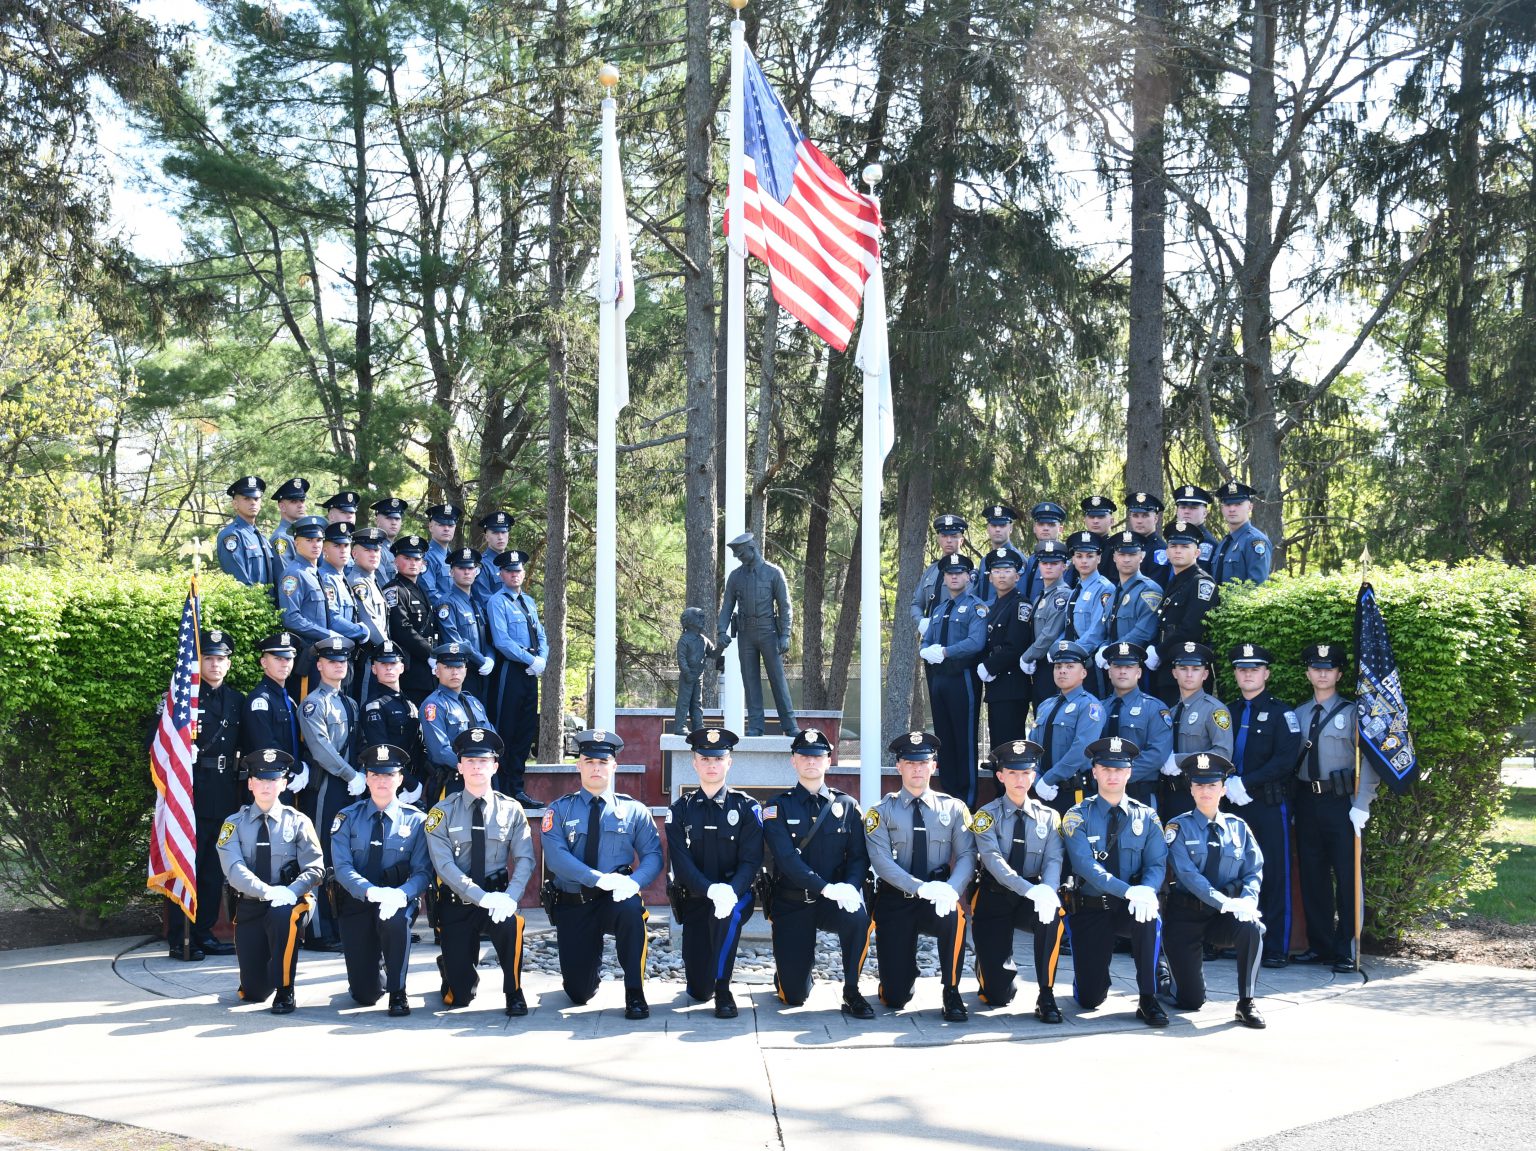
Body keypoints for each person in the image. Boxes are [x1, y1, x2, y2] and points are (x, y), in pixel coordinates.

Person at [540, 730, 663, 1020]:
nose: (596, 768)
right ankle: (586, 978)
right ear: (578, 766)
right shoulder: (559, 810)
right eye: (589, 761)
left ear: (614, 766)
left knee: (633, 911)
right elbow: (556, 858)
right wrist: (597, 878)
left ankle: (635, 991)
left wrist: (634, 882)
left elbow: (653, 856)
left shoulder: (633, 810)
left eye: (603, 762)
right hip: (574, 901)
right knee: (578, 993)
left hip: (615, 899)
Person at [760, 728, 874, 1019]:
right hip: (792, 902)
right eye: (804, 756)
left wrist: (849, 887)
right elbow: (786, 860)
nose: (811, 762)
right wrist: (826, 887)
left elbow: (859, 857)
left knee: (858, 917)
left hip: (832, 901)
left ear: (828, 760)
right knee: (793, 997)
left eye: (818, 756)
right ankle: (794, 973)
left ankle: (851, 990)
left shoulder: (847, 805)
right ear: (793, 761)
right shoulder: (776, 807)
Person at [864, 731, 976, 1022]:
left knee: (955, 915)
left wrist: (952, 889)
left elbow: (967, 855)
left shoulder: (953, 808)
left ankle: (951, 990)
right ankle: (899, 975)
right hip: (896, 900)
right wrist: (919, 888)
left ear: (933, 767)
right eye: (909, 762)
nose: (917, 769)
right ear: (899, 766)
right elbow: (882, 862)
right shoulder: (880, 811)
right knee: (895, 998)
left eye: (923, 762)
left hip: (938, 896)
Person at [425, 728, 536, 1015]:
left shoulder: (511, 809)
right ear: (459, 766)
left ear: (495, 766)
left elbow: (525, 859)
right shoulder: (441, 812)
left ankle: (514, 990)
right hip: (456, 904)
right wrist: (478, 896)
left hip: (498, 900)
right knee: (457, 998)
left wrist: (511, 897)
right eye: (470, 761)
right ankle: (450, 968)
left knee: (512, 924)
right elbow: (444, 866)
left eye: (483, 761)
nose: (477, 767)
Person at [1061, 736, 1169, 1027]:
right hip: (1092, 907)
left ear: (1129, 772)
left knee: (1149, 916)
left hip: (1130, 907)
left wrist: (1146, 891)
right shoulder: (1075, 816)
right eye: (1105, 768)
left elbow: (1157, 863)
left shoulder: (1146, 816)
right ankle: (1091, 974)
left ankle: (1148, 997)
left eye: (1119, 769)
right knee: (1089, 999)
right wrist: (1130, 890)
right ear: (1094, 771)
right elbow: (1086, 866)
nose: (1112, 775)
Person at [1161, 752, 1267, 1027]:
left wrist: (1247, 901)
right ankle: (1161, 973)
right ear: (1191, 788)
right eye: (1199, 785)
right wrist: (1222, 901)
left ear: (1222, 789)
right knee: (1190, 1001)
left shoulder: (1238, 827)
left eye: (1212, 785)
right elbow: (1187, 874)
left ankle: (1247, 1002)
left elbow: (1254, 871)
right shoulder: (1178, 827)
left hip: (1223, 918)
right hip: (1186, 916)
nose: (1205, 791)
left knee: (1252, 927)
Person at [1292, 643, 1379, 973]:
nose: (1323, 673)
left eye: (1330, 668)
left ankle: (1347, 947)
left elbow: (1370, 761)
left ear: (1340, 674)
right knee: (1313, 877)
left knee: (1347, 877)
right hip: (1306, 800)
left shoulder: (1354, 712)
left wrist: (1362, 802)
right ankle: (1321, 945)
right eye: (1317, 668)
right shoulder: (1298, 714)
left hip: (1341, 803)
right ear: (1308, 673)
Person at [216, 749, 324, 1014]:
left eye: (273, 780)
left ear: (284, 784)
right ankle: (266, 977)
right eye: (260, 780)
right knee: (252, 992)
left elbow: (316, 868)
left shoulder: (299, 822)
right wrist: (267, 892)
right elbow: (233, 869)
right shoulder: (233, 824)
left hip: (291, 902)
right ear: (250, 783)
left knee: (281, 916)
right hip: (251, 903)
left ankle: (286, 989)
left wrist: (290, 891)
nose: (266, 785)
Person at [665, 728, 763, 1018]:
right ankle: (709, 985)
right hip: (696, 899)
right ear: (694, 763)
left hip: (736, 896)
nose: (711, 765)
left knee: (726, 916)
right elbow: (681, 864)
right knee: (697, 990)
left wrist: (729, 892)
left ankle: (724, 990)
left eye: (718, 759)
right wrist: (710, 890)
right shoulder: (680, 810)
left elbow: (751, 860)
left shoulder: (747, 807)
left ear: (729, 762)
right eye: (704, 759)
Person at [330, 743, 432, 1017]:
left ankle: (398, 991)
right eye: (375, 775)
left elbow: (423, 872)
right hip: (357, 903)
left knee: (395, 920)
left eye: (389, 775)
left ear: (400, 779)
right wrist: (370, 891)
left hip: (398, 900)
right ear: (366, 778)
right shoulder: (347, 818)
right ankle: (376, 971)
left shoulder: (417, 821)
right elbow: (341, 867)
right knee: (364, 995)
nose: (382, 781)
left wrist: (401, 895)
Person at [968, 739, 1066, 1023]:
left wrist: (1047, 891)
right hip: (994, 897)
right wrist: (1032, 891)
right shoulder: (986, 816)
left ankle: (1046, 994)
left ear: (1034, 775)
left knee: (1051, 919)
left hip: (1033, 894)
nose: (1020, 779)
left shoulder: (1049, 817)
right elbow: (994, 862)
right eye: (1012, 772)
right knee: (996, 997)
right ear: (1000, 776)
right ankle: (989, 962)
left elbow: (1053, 859)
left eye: (1025, 773)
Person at [1223, 643, 1302, 968]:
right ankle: (1232, 938)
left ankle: (1275, 947)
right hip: (1230, 802)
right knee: (1232, 871)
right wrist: (1227, 781)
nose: (1248, 674)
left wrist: (1247, 782)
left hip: (1267, 804)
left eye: (1254, 669)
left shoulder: (1283, 714)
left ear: (1266, 673)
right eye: (1242, 669)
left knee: (1273, 873)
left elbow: (1286, 759)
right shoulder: (1227, 711)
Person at [168, 629, 243, 959]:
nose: (215, 664)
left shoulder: (237, 700)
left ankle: (204, 931)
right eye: (209, 658)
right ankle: (179, 936)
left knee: (214, 870)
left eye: (221, 659)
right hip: (191, 794)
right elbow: (155, 744)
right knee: (187, 866)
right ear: (199, 662)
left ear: (228, 664)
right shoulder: (183, 699)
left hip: (224, 794)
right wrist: (183, 752)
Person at [297, 636, 362, 950]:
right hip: (327, 785)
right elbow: (320, 748)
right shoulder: (314, 703)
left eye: (343, 660)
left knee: (344, 855)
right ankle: (319, 931)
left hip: (352, 787)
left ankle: (342, 924)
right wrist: (351, 774)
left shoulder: (348, 703)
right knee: (321, 853)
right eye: (332, 660)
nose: (339, 665)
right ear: (319, 665)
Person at [918, 552, 987, 807]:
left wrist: (945, 652)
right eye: (949, 573)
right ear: (944, 577)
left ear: (968, 577)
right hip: (939, 680)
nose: (954, 577)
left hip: (963, 678)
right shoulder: (939, 609)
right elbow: (927, 639)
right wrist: (924, 649)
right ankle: (948, 797)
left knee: (964, 739)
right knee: (943, 738)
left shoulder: (976, 607)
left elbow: (976, 642)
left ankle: (967, 802)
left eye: (959, 573)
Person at [717, 531, 799, 737]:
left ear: (752, 550)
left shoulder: (773, 573)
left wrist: (785, 634)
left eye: (742, 554)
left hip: (768, 631)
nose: (740, 559)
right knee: (750, 680)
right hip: (745, 634)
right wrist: (721, 630)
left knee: (777, 679)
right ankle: (755, 726)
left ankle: (789, 725)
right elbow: (727, 605)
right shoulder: (736, 577)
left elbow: (785, 606)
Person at [487, 548, 547, 805]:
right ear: (501, 574)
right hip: (510, 671)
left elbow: (541, 635)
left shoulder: (529, 602)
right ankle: (501, 788)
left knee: (525, 730)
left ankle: (518, 789)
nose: (515, 575)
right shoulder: (497, 602)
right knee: (506, 730)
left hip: (531, 672)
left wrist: (542, 659)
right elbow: (502, 641)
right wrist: (530, 659)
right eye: (510, 571)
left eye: (519, 570)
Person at [1029, 640, 1107, 816]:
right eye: (1058, 666)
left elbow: (1081, 749)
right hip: (1043, 791)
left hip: (1074, 792)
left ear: (1084, 673)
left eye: (1070, 666)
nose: (1062, 670)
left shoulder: (1089, 706)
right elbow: (1032, 746)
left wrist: (1049, 779)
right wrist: (1037, 780)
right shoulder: (1045, 706)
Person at [1160, 642, 1233, 821]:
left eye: (1196, 669)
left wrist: (1178, 761)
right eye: (1183, 668)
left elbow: (1223, 754)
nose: (1189, 674)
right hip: (1170, 794)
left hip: (1201, 796)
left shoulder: (1215, 710)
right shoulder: (1171, 711)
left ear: (1205, 674)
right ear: (1174, 673)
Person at [1151, 521, 1220, 704]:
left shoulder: (1202, 583)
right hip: (1169, 668)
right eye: (1173, 546)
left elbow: (1191, 629)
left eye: (1185, 546)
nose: (1178, 551)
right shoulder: (1176, 582)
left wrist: (1158, 652)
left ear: (1197, 552)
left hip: (1189, 669)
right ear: (1167, 552)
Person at [1099, 642, 1174, 807]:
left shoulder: (1154, 708)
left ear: (1139, 672)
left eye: (1130, 666)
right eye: (1117, 666)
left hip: (1140, 794)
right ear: (1109, 672)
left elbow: (1157, 753)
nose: (1123, 671)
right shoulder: (1099, 708)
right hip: (1101, 794)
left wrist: (1118, 775)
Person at [419, 642, 493, 804]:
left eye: (459, 667)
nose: (454, 672)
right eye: (448, 667)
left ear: (466, 670)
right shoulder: (433, 705)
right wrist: (472, 768)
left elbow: (491, 739)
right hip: (451, 783)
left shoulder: (474, 703)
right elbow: (440, 751)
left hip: (481, 781)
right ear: (437, 671)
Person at [976, 547, 1032, 750]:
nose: (1001, 575)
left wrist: (989, 666)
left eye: (1007, 570)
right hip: (997, 687)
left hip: (1012, 686)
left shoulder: (1020, 605)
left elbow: (1015, 646)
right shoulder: (994, 606)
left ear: (1017, 576)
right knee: (998, 750)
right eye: (997, 571)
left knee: (1010, 750)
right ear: (990, 577)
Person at [359, 641, 425, 810]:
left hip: (415, 780)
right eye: (383, 664)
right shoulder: (374, 706)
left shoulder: (408, 703)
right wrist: (409, 783)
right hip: (390, 783)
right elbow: (381, 750)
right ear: (374, 669)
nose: (389, 668)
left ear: (402, 668)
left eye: (393, 663)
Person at [277, 515, 338, 699]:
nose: (316, 545)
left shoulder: (314, 573)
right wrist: (326, 634)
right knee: (307, 707)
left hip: (321, 654)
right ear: (296, 543)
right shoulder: (294, 575)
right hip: (307, 655)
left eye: (319, 540)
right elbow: (291, 618)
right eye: (309, 540)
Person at [436, 546, 496, 704]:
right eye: (461, 568)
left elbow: (486, 637)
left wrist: (490, 658)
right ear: (451, 572)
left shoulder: (475, 603)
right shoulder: (446, 603)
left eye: (471, 568)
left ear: (476, 572)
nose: (467, 572)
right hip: (461, 672)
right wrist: (481, 660)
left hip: (482, 673)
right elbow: (453, 639)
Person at [383, 534, 437, 707]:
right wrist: (431, 653)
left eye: (417, 559)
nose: (413, 563)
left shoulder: (420, 589)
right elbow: (402, 629)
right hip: (410, 666)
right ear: (396, 562)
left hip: (427, 669)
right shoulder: (394, 590)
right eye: (407, 558)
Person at [1017, 539, 1072, 708]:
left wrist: (1027, 656)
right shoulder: (1041, 595)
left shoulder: (1062, 596)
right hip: (1039, 666)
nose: (1048, 567)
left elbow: (1050, 634)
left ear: (1064, 566)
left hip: (1053, 666)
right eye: (1044, 563)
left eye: (1054, 563)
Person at [1061, 530, 1115, 696]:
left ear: (1099, 558)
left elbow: (1097, 631)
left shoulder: (1104, 588)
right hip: (1071, 663)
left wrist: (1071, 652)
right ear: (1073, 559)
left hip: (1090, 663)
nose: (1084, 560)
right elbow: (1068, 627)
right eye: (1079, 556)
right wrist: (1058, 649)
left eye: (1090, 556)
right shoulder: (1075, 590)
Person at [319, 522, 371, 692]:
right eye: (336, 545)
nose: (343, 550)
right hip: (333, 657)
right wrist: (361, 631)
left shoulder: (340, 577)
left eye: (346, 545)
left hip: (345, 655)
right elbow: (333, 619)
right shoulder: (327, 578)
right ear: (324, 550)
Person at [241, 632, 302, 771]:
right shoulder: (260, 700)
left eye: (288, 659)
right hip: (268, 779)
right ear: (264, 662)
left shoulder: (288, 699)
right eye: (278, 658)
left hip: (288, 779)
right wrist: (296, 769)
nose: (284, 664)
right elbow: (265, 745)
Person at [1102, 531, 1164, 652]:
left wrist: (1111, 650)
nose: (1126, 559)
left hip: (1135, 661)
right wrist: (1103, 648)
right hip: (1113, 662)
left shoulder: (1149, 590)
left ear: (1142, 556)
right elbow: (1108, 631)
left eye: (1132, 554)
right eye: (1121, 554)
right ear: (1114, 557)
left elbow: (1143, 633)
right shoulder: (1115, 593)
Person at [216, 475, 276, 592]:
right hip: (252, 606)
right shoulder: (231, 536)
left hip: (271, 607)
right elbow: (239, 582)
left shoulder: (260, 536)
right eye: (246, 498)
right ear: (235, 504)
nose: (253, 503)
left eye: (256, 499)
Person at [910, 513, 967, 632]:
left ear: (961, 540)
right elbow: (916, 603)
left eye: (954, 536)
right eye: (944, 536)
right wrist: (922, 622)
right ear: (938, 539)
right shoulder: (931, 570)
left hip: (956, 637)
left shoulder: (969, 571)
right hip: (930, 636)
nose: (949, 540)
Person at [346, 528, 391, 674]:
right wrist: (389, 650)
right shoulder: (358, 583)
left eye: (377, 550)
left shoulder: (372, 580)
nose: (373, 555)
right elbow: (369, 622)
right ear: (354, 554)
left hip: (378, 655)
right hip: (368, 654)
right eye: (367, 550)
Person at [1213, 481, 1272, 586]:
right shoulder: (1225, 543)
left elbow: (1256, 587)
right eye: (1227, 504)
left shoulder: (1255, 541)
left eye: (1238, 504)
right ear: (1222, 509)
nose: (1232, 509)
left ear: (1250, 507)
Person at [971, 504, 1025, 604]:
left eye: (1002, 525)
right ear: (988, 528)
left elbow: (1021, 595)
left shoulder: (1019, 559)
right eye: (994, 525)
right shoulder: (985, 561)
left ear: (1010, 528)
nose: (997, 529)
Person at [673, 607, 714, 736]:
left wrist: (722, 647)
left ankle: (698, 726)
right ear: (690, 621)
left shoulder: (703, 640)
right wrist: (687, 672)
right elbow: (681, 658)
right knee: (684, 701)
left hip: (698, 675)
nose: (703, 620)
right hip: (688, 676)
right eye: (699, 617)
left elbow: (713, 653)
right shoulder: (684, 639)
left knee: (697, 702)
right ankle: (680, 726)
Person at [1018, 501, 1067, 602]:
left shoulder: (1068, 560)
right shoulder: (1031, 560)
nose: (1045, 528)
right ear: (1034, 529)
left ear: (1060, 529)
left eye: (1051, 524)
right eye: (1041, 524)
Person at [1125, 491, 1171, 588]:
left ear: (1155, 519)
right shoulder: (1124, 545)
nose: (1139, 521)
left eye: (1145, 515)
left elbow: (1155, 587)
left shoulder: (1160, 550)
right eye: (1135, 515)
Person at [419, 503, 462, 604]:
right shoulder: (427, 557)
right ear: (430, 527)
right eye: (441, 524)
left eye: (451, 525)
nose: (446, 528)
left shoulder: (453, 557)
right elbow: (430, 593)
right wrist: (454, 607)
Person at [1171, 484, 1219, 568]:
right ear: (1177, 511)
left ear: (1205, 513)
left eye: (1193, 508)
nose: (1186, 511)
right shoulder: (1172, 537)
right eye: (1183, 507)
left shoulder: (1206, 542)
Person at [474, 510, 512, 611]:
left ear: (508, 535)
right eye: (495, 533)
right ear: (487, 537)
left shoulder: (513, 564)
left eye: (503, 532)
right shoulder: (482, 565)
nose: (500, 537)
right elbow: (485, 601)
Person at [269, 477, 311, 567]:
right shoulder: (281, 538)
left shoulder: (303, 533)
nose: (300, 505)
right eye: (294, 501)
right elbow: (286, 577)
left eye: (302, 500)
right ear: (282, 507)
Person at [370, 496, 408, 587]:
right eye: (389, 518)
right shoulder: (375, 549)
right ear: (377, 521)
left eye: (397, 519)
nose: (394, 522)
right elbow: (385, 588)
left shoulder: (398, 550)